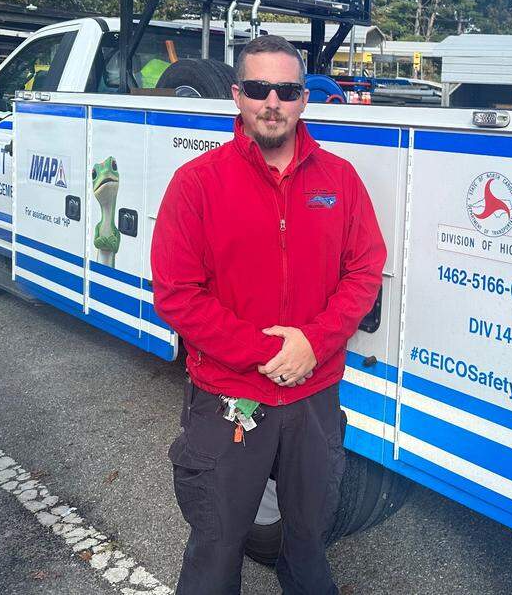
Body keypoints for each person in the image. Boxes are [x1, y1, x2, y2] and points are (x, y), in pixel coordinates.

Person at [151, 35, 386, 595]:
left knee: (307, 547)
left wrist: (313, 343)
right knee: (215, 551)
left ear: (304, 99)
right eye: (258, 89)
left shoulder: (340, 181)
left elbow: (364, 272)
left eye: (285, 89)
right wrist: (270, 353)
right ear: (237, 95)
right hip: (229, 400)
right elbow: (177, 294)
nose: (272, 101)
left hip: (313, 400)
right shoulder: (198, 184)